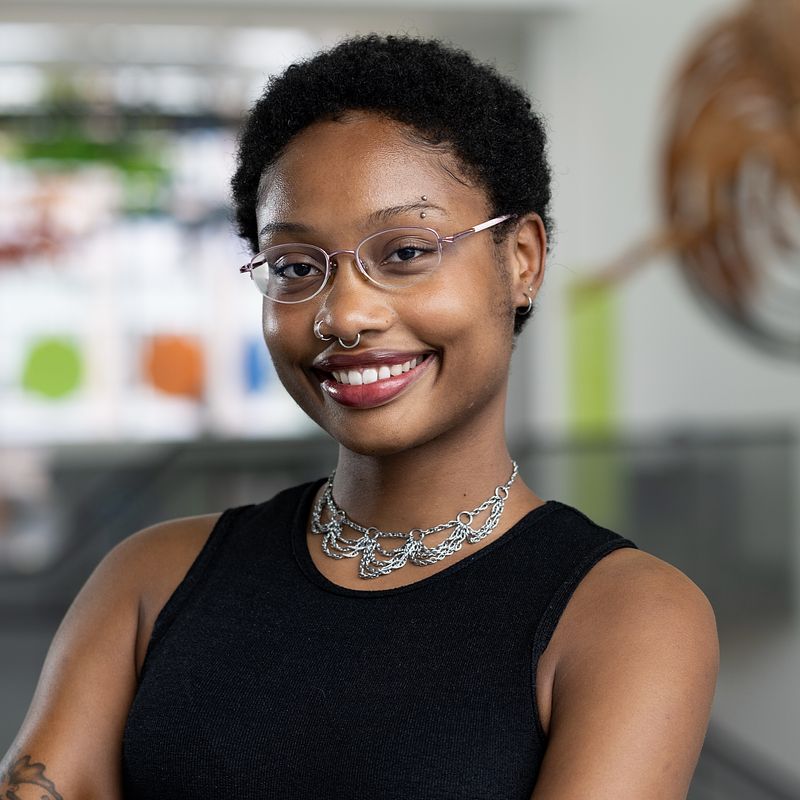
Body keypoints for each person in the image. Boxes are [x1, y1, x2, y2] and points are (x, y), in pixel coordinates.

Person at [0, 34, 718, 799]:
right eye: (294, 266)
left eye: (405, 252)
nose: (344, 315)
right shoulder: (153, 580)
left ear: (523, 260)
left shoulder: (624, 615)